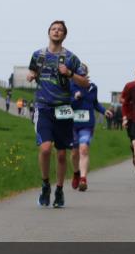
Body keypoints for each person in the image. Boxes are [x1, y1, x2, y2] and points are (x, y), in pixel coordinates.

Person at [26, 20, 89, 208]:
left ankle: (59, 190)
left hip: (63, 109)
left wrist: (69, 73)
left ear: (64, 35)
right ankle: (46, 185)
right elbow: (32, 70)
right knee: (45, 149)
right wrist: (31, 75)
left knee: (61, 155)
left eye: (60, 30)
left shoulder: (71, 58)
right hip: (44, 107)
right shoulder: (38, 55)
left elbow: (85, 83)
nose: (56, 31)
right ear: (48, 33)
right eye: (54, 29)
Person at [69, 67, 112, 191]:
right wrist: (74, 98)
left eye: (84, 75)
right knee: (74, 153)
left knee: (84, 149)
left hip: (87, 125)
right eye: (79, 75)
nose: (82, 77)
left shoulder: (93, 87)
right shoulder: (70, 87)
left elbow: (95, 103)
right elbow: (65, 104)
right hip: (72, 125)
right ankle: (76, 173)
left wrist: (104, 111)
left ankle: (83, 178)